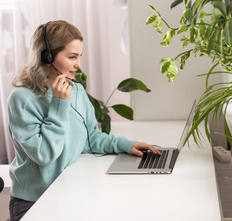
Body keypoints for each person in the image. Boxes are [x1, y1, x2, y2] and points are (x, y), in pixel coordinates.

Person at [7, 20, 160, 221]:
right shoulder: (22, 99)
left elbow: (92, 138)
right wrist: (59, 104)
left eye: (79, 56)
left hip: (69, 192)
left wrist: (126, 145)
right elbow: (44, 155)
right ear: (48, 57)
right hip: (35, 202)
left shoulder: (76, 90)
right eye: (72, 57)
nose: (78, 64)